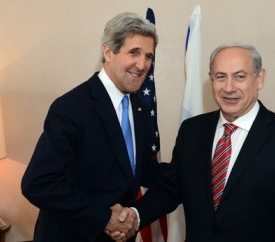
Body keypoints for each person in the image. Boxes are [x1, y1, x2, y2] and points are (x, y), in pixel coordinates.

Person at [113, 43, 275, 242]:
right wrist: (134, 215)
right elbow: (172, 187)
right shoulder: (192, 130)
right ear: (211, 80)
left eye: (239, 77)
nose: (229, 88)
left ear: (259, 79)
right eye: (221, 77)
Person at [21, 12, 168, 242]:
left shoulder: (139, 109)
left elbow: (135, 170)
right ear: (108, 51)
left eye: (149, 56)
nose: (142, 65)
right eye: (134, 53)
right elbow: (38, 183)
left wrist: (190, 169)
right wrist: (103, 219)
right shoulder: (71, 107)